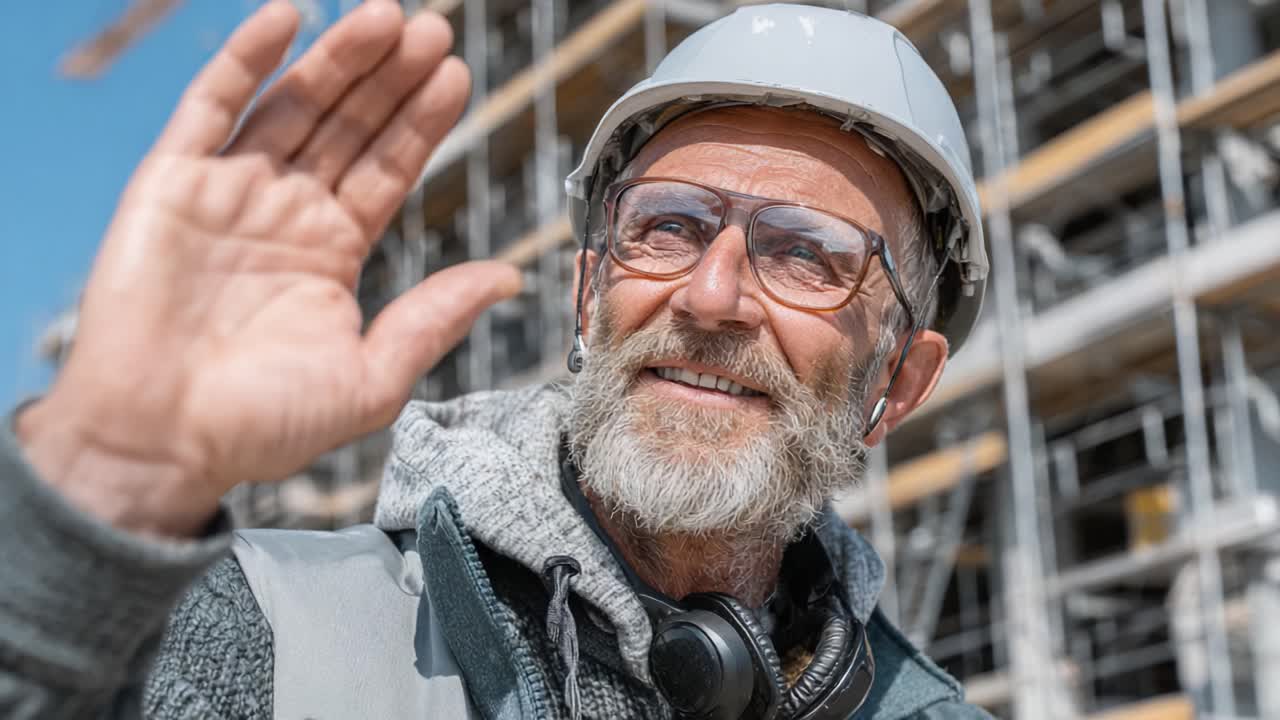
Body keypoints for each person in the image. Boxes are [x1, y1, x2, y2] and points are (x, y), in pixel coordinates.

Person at [0, 2, 993, 718]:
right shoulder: (271, 634)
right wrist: (106, 483)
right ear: (587, 296)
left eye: (803, 253)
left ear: (897, 381)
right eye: (668, 228)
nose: (709, 296)